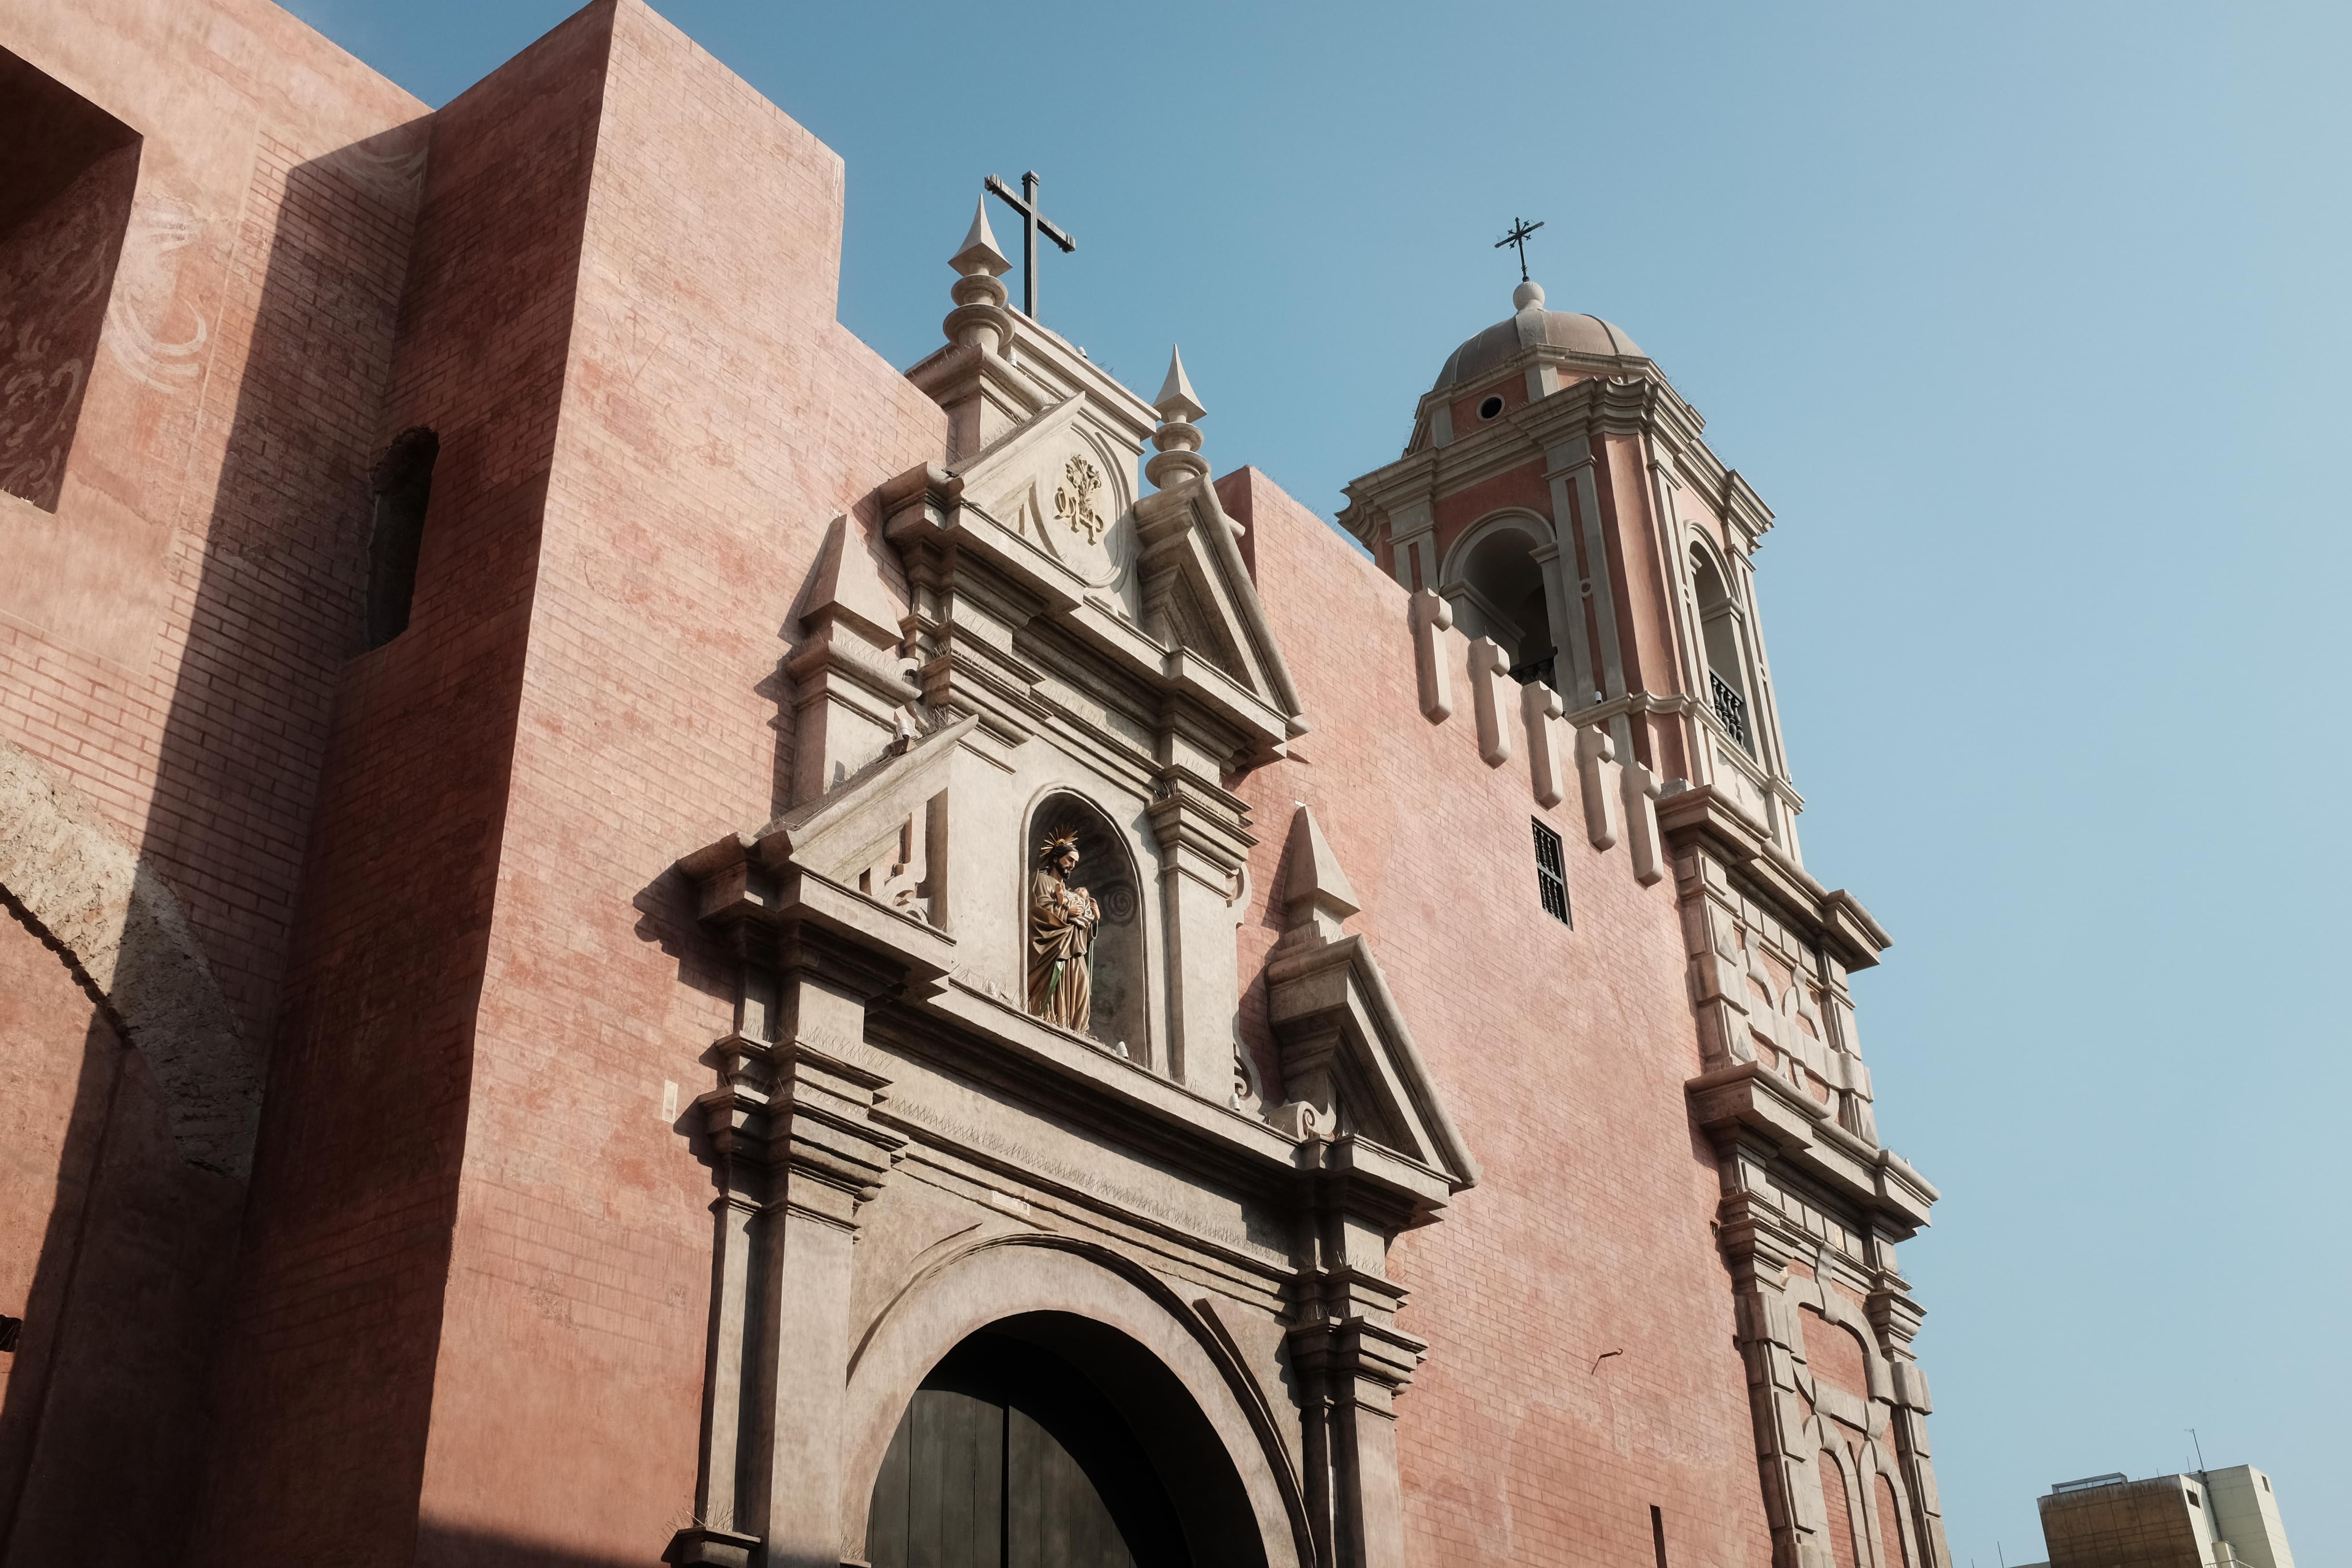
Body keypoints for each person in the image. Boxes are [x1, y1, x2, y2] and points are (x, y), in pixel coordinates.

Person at [1026, 829, 1099, 1031]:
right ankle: (1050, 1018)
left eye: (1075, 863)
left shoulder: (1069, 892)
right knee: (1056, 980)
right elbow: (1038, 909)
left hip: (1073, 945)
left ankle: (1076, 1029)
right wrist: (1066, 913)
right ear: (1056, 858)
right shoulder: (1042, 881)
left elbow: (1082, 923)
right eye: (1069, 860)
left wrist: (1093, 920)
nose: (1072, 866)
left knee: (1081, 982)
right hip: (1053, 945)